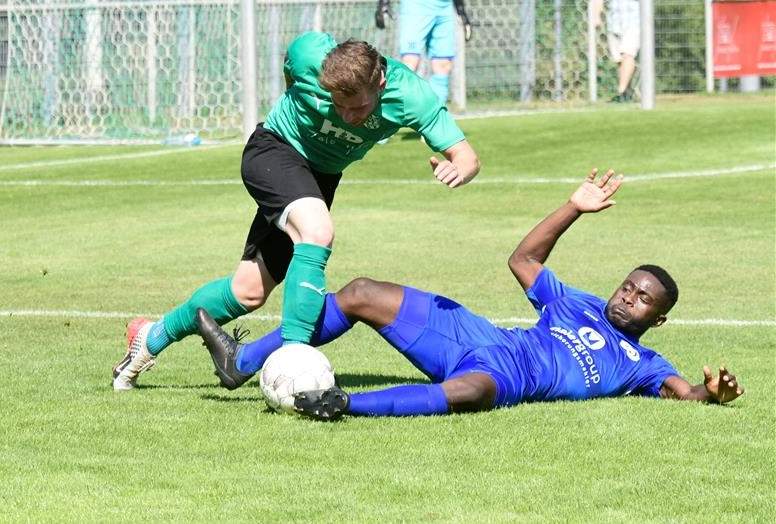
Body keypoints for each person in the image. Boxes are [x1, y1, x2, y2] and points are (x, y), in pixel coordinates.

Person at [195, 169, 744, 418]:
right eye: (628, 286)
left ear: (659, 318)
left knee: (471, 394)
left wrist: (710, 391)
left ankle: (341, 405)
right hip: (480, 337)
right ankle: (242, 361)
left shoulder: (643, 361)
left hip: (513, 378)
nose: (628, 297)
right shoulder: (572, 302)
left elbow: (685, 395)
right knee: (361, 291)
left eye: (644, 299)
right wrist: (572, 208)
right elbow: (523, 260)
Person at [111, 31, 480, 391]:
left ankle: (148, 339)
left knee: (247, 293)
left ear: (380, 81)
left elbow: (466, 156)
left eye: (360, 109)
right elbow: (292, 72)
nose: (349, 117)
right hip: (274, 151)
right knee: (317, 232)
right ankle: (293, 361)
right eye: (338, 105)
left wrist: (459, 169)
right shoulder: (309, 55)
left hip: (320, 179)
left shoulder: (411, 94)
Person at [588, 0, 662, 103]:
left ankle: (621, 92)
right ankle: (628, 93)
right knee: (620, 60)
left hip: (636, 20)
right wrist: (597, 17)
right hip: (615, 22)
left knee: (628, 53)